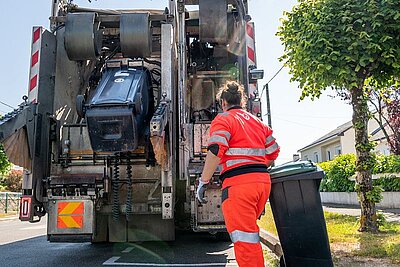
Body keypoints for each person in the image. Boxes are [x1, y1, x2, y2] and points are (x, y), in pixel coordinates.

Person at [196, 81, 280, 267]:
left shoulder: (224, 119)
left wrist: (204, 181)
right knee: (249, 234)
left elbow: (217, 149)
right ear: (242, 101)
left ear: (223, 103)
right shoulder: (257, 122)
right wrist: (255, 168)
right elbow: (273, 150)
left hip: (239, 187)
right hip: (261, 184)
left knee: (244, 240)